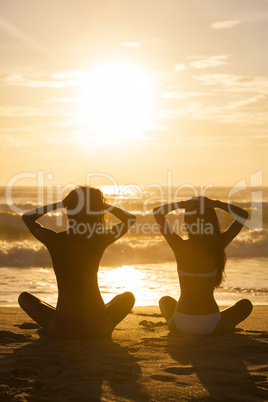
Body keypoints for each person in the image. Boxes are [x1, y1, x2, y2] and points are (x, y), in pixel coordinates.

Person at [18, 185, 136, 339]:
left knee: (24, 298)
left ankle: (51, 326)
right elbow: (130, 219)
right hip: (99, 327)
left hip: (63, 327)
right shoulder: (100, 240)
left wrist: (60, 204)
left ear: (70, 211)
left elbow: (27, 217)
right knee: (127, 297)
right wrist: (103, 206)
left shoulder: (54, 240)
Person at [153, 196, 253, 335]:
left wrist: (183, 204)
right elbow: (244, 215)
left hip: (180, 323)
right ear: (211, 222)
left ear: (188, 222)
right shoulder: (218, 245)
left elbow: (157, 212)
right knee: (245, 305)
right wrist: (216, 203)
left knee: (165, 301)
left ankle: (174, 322)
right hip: (211, 324)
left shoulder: (179, 245)